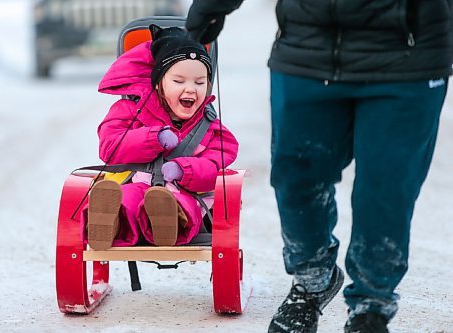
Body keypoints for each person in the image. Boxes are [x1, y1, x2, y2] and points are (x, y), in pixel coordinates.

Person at [185, 1, 452, 332]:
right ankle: (312, 280)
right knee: (296, 177)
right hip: (307, 47)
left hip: (407, 54)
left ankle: (372, 305)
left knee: (386, 189)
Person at [85, 24, 239, 250]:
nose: (191, 89)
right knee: (126, 198)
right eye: (179, 81)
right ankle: (110, 222)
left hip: (183, 192)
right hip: (135, 182)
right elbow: (109, 147)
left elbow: (215, 166)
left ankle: (167, 224)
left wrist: (184, 169)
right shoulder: (129, 110)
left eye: (199, 82)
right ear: (158, 84)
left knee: (181, 204)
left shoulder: (210, 128)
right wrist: (151, 138)